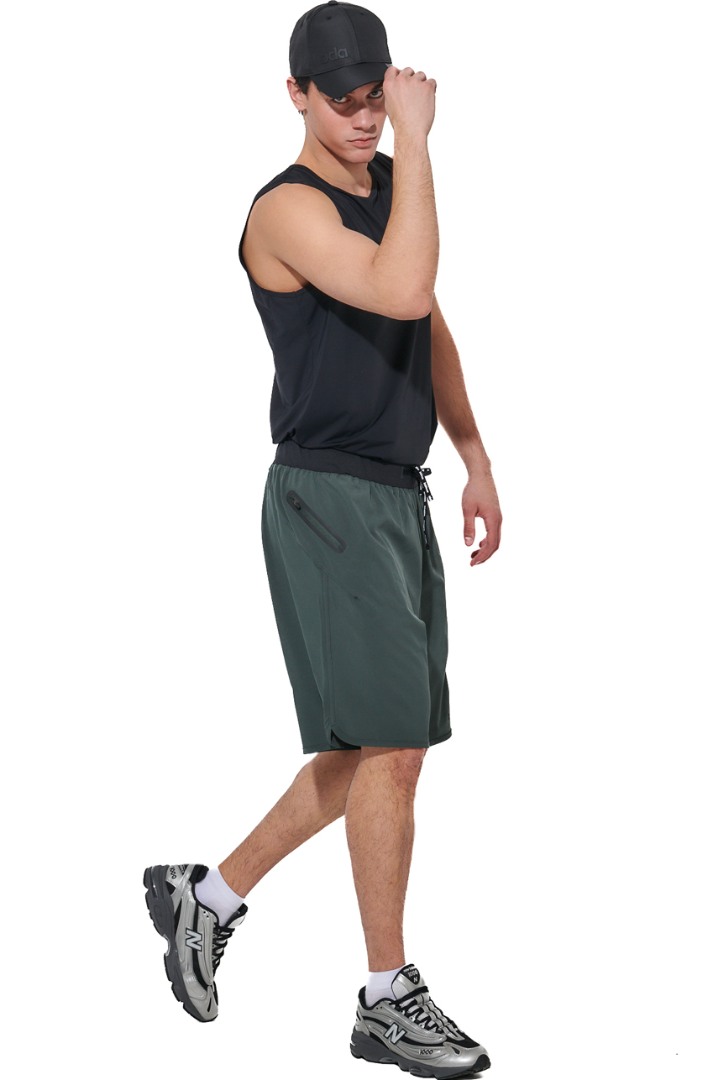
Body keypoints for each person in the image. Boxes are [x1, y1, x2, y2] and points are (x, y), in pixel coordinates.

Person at [144, 3, 501, 1076]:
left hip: (396, 493)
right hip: (327, 496)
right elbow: (401, 284)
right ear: (295, 95)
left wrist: (475, 453)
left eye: (374, 98)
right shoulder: (285, 211)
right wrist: (421, 142)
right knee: (391, 748)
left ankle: (206, 896)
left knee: (379, 746)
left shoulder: (388, 185)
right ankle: (386, 997)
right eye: (341, 100)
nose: (363, 118)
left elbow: (426, 320)